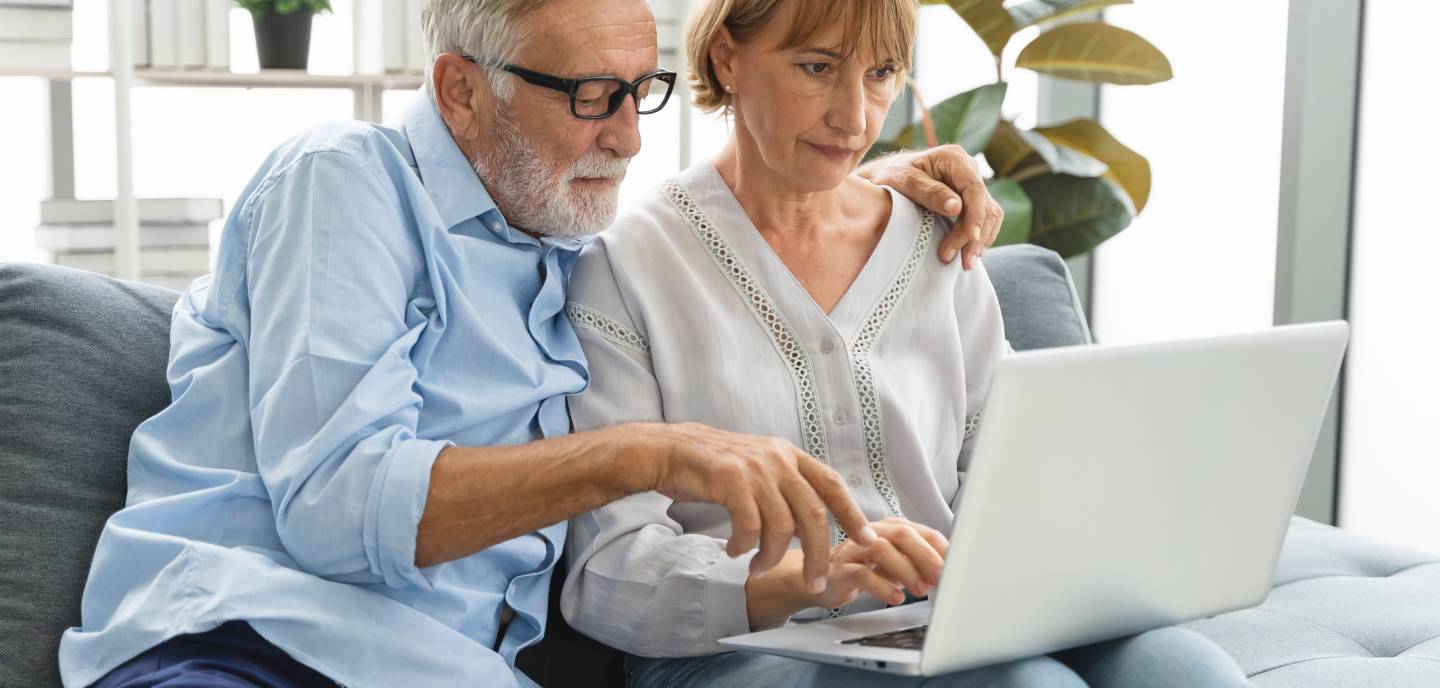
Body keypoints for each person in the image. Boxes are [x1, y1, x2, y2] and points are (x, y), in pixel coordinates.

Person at [56, 1, 1005, 686]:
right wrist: (645, 455)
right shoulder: (343, 181)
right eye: (593, 96)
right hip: (253, 644)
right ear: (461, 91)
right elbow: (338, 509)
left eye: (643, 92)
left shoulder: (564, 243)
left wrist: (858, 177)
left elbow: (751, 232)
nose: (631, 140)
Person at [559, 1, 1254, 687]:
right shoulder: (626, 267)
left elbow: (1007, 466)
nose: (856, 117)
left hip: (949, 619)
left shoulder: (936, 239)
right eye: (817, 67)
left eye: (882, 73)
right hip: (742, 646)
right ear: (727, 59)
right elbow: (612, 570)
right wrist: (812, 576)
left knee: (1190, 672)